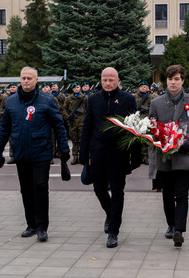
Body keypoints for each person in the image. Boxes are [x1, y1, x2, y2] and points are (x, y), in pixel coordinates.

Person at [0, 67, 70, 242]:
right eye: (23, 78)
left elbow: (58, 125)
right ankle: (31, 225)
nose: (26, 81)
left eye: (29, 78)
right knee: (26, 190)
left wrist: (64, 149)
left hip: (41, 152)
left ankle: (42, 227)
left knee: (40, 188)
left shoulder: (46, 100)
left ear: (36, 80)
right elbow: (4, 128)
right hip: (21, 153)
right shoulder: (12, 102)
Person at [80, 67, 141, 248]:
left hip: (118, 154)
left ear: (117, 80)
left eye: (111, 80)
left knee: (117, 192)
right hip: (97, 153)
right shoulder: (93, 99)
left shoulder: (128, 99)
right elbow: (87, 126)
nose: (107, 83)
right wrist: (83, 155)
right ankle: (110, 213)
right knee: (99, 190)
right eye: (104, 80)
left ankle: (113, 231)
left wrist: (136, 155)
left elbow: (135, 128)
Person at [149, 65, 189, 247]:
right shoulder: (156, 103)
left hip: (184, 156)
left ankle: (179, 230)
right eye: (170, 79)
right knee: (167, 195)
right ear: (166, 80)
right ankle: (171, 225)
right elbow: (150, 127)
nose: (173, 83)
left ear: (182, 81)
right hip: (164, 157)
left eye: (177, 79)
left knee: (182, 194)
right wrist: (158, 138)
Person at [63, 82, 87, 165]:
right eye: (74, 88)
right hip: (72, 123)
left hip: (82, 123)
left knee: (82, 141)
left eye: (77, 87)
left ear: (80, 88)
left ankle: (82, 157)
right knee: (74, 141)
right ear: (72, 89)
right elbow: (64, 109)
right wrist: (68, 116)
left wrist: (85, 119)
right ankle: (75, 157)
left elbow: (88, 109)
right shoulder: (69, 98)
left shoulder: (84, 98)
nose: (76, 89)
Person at [135, 81, 154, 165]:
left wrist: (142, 107)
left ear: (148, 88)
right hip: (136, 120)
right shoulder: (135, 97)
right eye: (142, 86)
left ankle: (145, 157)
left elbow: (152, 108)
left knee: (146, 140)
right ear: (139, 88)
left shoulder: (151, 97)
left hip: (147, 119)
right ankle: (137, 157)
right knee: (137, 139)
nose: (144, 88)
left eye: (145, 86)